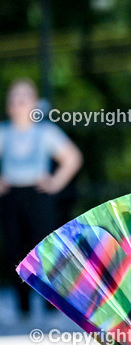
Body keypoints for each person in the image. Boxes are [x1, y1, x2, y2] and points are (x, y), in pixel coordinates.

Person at [0, 78, 82, 320]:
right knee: (15, 248)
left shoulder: (45, 131)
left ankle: (51, 305)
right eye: (14, 98)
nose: (18, 103)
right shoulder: (4, 132)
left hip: (39, 196)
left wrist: (55, 182)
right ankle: (22, 306)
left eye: (24, 97)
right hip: (12, 197)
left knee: (45, 250)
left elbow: (72, 157)